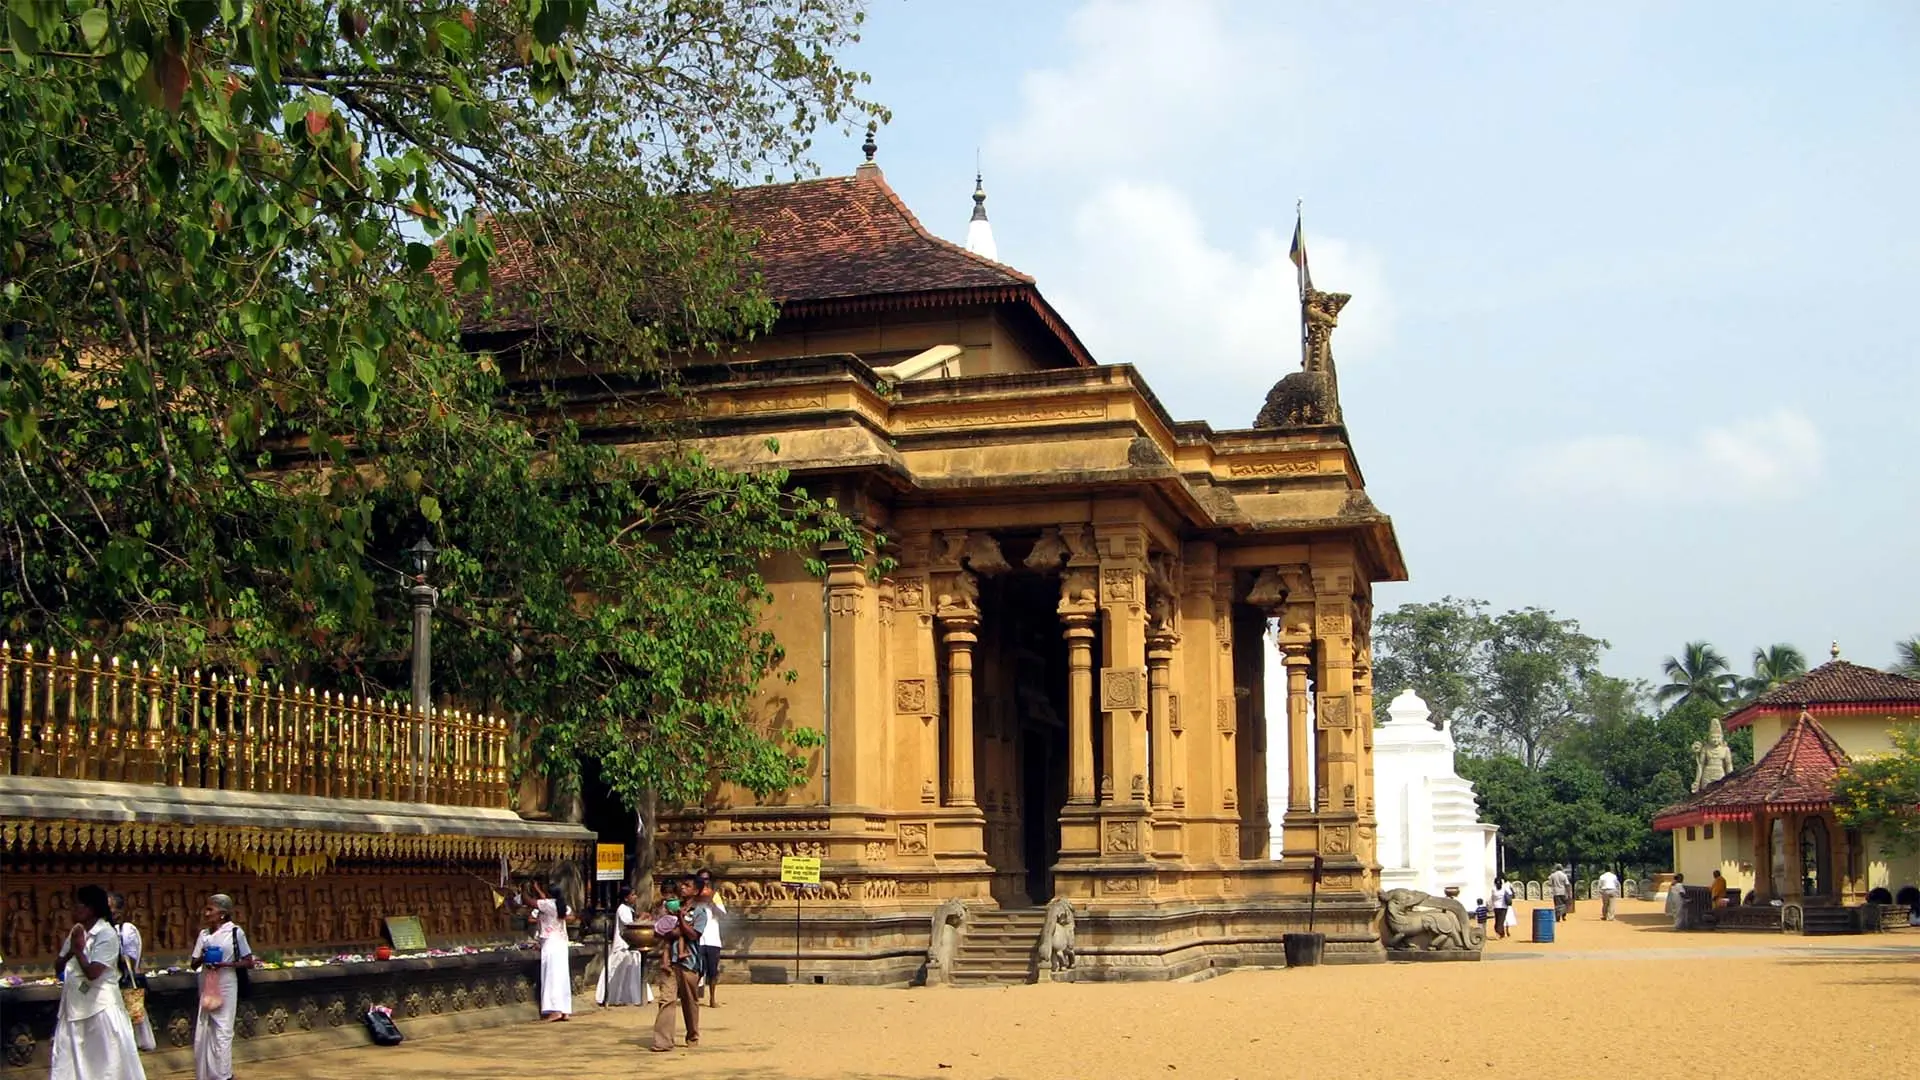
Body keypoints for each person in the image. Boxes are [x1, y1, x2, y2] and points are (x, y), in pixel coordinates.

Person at [50, 884, 147, 1080]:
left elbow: (93, 972)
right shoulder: (77, 931)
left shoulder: (106, 934)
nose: (74, 909)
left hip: (99, 1005)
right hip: (74, 1004)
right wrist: (71, 949)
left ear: (91, 908)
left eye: (79, 905)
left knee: (106, 1062)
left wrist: (78, 951)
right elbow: (58, 966)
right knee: (72, 1059)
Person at [189, 892, 255, 1080]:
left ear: (223, 914)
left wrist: (226, 964)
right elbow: (193, 963)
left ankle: (223, 1074)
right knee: (205, 1029)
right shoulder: (204, 934)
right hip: (207, 982)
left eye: (210, 909)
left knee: (223, 1030)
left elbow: (248, 961)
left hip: (226, 982)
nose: (206, 913)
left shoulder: (235, 932)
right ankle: (207, 1073)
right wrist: (204, 955)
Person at [650, 875, 706, 1052]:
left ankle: (692, 1034)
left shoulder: (699, 912)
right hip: (671, 961)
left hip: (689, 962)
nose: (682, 888)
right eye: (682, 885)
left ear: (696, 891)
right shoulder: (672, 907)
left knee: (690, 1001)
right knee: (666, 1000)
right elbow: (662, 930)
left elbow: (693, 935)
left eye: (687, 886)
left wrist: (680, 919)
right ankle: (663, 1041)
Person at [108, 892, 156, 1052]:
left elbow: (131, 961)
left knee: (128, 1030)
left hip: (124, 984)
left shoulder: (127, 930)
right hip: (108, 987)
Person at [596, 886, 649, 1008]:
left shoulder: (629, 909)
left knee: (631, 970)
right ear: (626, 897)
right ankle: (614, 996)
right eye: (633, 895)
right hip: (622, 945)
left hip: (630, 944)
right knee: (617, 969)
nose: (635, 897)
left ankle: (631, 995)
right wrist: (641, 919)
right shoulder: (622, 909)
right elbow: (628, 924)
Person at [527, 881, 572, 1021]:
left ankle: (555, 1010)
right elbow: (572, 915)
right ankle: (565, 1010)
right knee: (562, 977)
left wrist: (523, 891)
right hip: (562, 943)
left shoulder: (547, 905)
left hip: (551, 943)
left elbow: (530, 902)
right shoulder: (561, 904)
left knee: (552, 977)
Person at [695, 869, 726, 1008]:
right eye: (701, 879)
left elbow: (723, 915)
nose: (704, 881)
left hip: (713, 937)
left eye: (706, 879)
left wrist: (712, 903)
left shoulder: (715, 895)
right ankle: (693, 997)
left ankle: (712, 998)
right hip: (697, 936)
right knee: (697, 969)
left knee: (713, 970)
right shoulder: (693, 896)